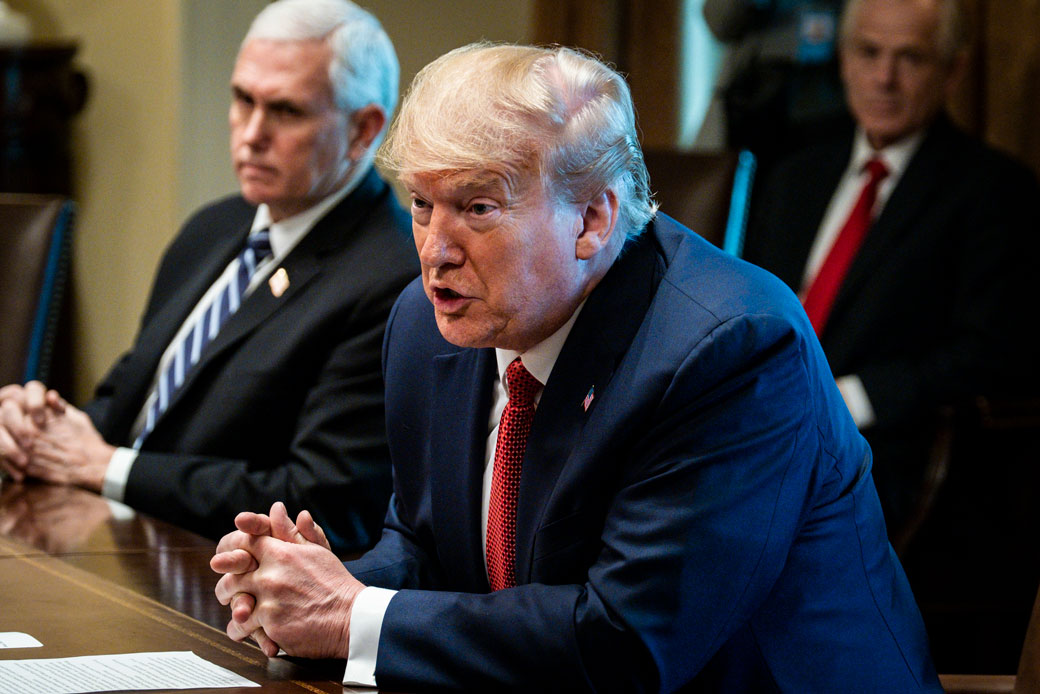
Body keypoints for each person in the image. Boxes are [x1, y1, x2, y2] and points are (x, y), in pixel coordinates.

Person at [210, 43, 942, 692]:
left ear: (592, 219)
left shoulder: (730, 349)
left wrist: (353, 617)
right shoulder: (425, 325)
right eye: (423, 204)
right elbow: (426, 546)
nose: (435, 249)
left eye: (478, 207)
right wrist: (316, 588)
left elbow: (626, 644)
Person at [0, 0, 418, 555]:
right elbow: (124, 403)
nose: (252, 133)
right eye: (243, 100)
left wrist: (107, 466)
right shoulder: (213, 227)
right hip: (106, 537)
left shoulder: (392, 276)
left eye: (286, 111)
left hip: (217, 577)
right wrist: (37, 427)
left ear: (364, 129)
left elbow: (320, 501)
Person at [741, 0, 1039, 542]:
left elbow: (990, 353)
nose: (884, 78)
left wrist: (853, 397)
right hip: (758, 428)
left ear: (953, 71)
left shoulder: (995, 192)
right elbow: (745, 311)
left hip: (882, 456)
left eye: (911, 58)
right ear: (843, 60)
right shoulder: (794, 178)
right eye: (869, 52)